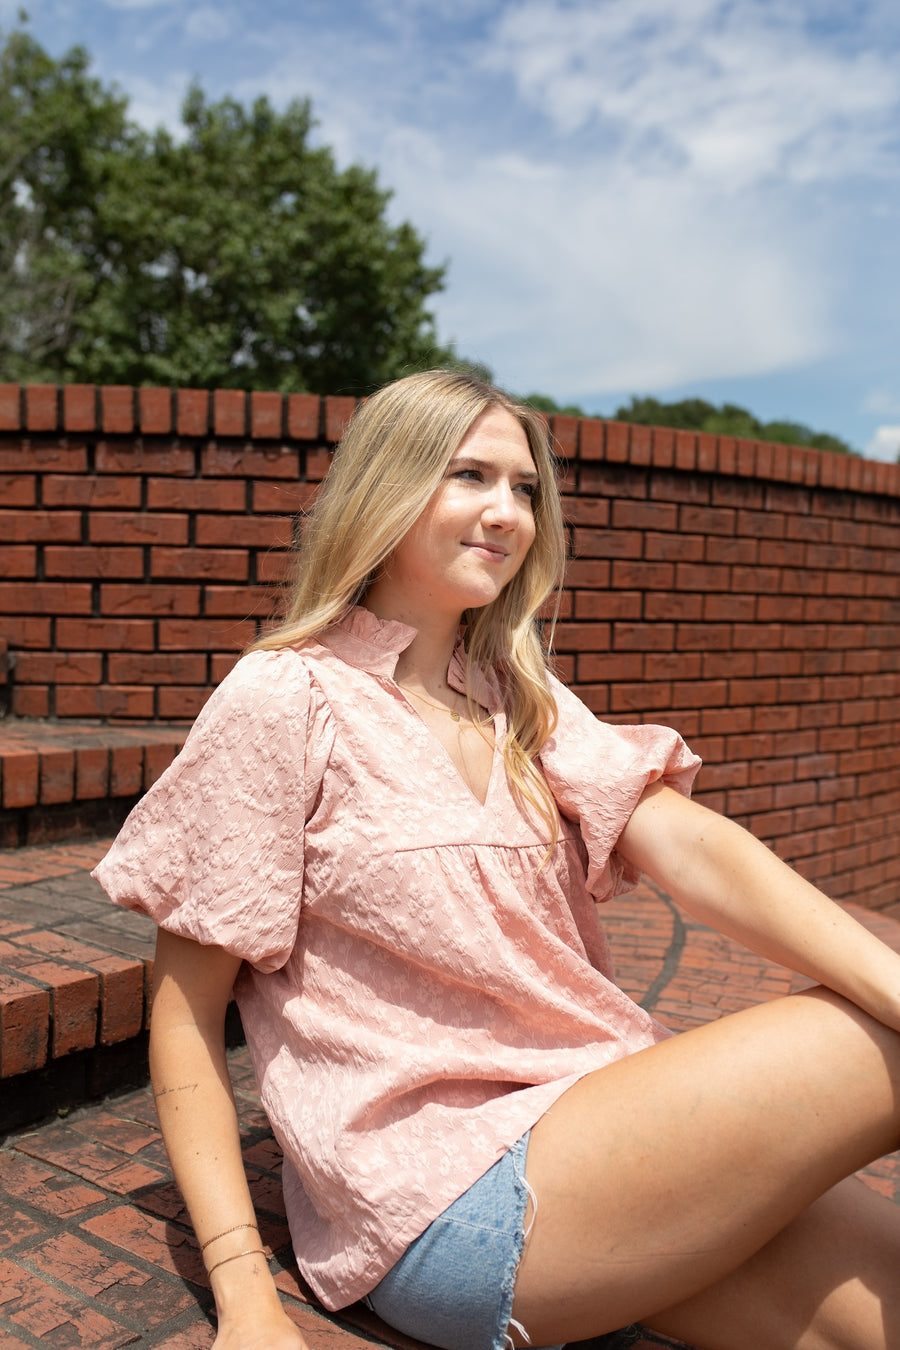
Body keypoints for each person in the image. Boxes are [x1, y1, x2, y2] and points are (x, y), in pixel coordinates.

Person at [94, 369, 900, 1350]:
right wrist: (245, 1294)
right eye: (470, 475)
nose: (508, 512)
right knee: (876, 1043)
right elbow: (185, 1011)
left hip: (604, 1145)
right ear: (387, 488)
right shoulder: (286, 698)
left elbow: (694, 850)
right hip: (446, 1201)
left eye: (525, 488)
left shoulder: (522, 699)